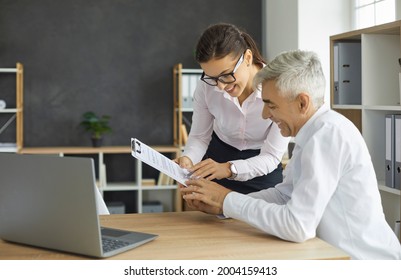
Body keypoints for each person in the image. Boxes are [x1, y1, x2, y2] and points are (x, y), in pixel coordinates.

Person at [180, 50, 401, 259]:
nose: (266, 115)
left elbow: (297, 226)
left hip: (363, 264)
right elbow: (284, 195)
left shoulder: (327, 135)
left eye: (271, 105)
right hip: (335, 257)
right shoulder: (314, 133)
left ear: (302, 103)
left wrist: (226, 200)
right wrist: (222, 207)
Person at [176, 23, 290, 194]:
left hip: (262, 164)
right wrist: (188, 158)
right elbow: (200, 136)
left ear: (248, 58)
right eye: (212, 78)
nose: (220, 86)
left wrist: (230, 169)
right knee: (211, 218)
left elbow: (272, 156)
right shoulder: (206, 87)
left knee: (261, 217)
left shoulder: (278, 87)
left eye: (226, 75)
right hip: (216, 159)